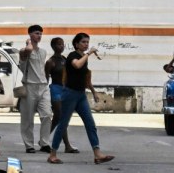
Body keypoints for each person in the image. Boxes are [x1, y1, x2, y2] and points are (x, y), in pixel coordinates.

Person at [47, 32, 115, 165]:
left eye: (87, 42)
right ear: (76, 44)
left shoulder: (84, 57)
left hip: (81, 94)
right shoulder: (73, 55)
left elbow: (86, 77)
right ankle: (52, 154)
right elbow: (76, 65)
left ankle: (97, 153)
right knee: (63, 124)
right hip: (70, 94)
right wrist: (89, 53)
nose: (86, 44)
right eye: (83, 42)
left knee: (90, 124)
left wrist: (94, 92)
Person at [17, 24, 54, 153]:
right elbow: (27, 51)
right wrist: (29, 43)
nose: (39, 36)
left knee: (47, 114)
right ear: (30, 35)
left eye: (40, 34)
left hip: (43, 86)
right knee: (27, 118)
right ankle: (29, 145)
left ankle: (44, 143)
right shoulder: (24, 50)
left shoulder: (43, 52)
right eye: (36, 33)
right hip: (29, 86)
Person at [45, 37, 78, 154]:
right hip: (55, 89)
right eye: (59, 44)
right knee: (59, 115)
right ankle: (66, 145)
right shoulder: (50, 62)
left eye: (63, 44)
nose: (62, 46)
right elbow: (45, 79)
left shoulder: (65, 59)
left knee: (59, 118)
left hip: (65, 90)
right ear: (53, 46)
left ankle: (44, 139)